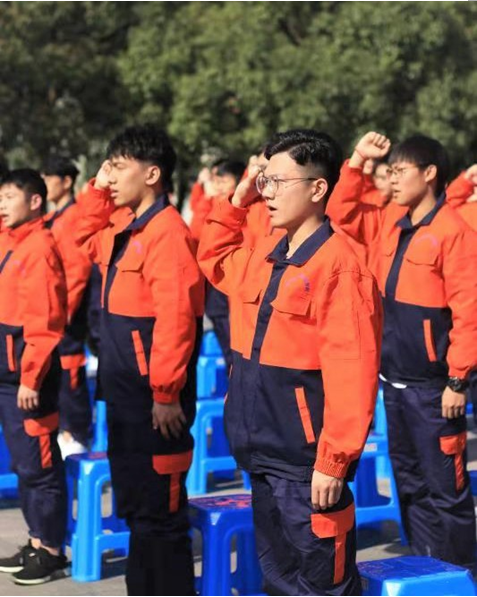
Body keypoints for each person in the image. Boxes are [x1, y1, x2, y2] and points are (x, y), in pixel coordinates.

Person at [198, 129, 382, 595]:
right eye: (266, 180)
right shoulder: (266, 255)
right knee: (277, 577)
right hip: (262, 450)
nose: (268, 192)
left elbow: (353, 373)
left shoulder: (339, 266)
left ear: (318, 189)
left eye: (279, 182)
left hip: (306, 463)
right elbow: (213, 257)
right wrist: (239, 196)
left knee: (322, 582)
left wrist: (333, 462)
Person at [326, 131, 477, 567]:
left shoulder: (454, 233)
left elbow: (469, 313)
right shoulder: (391, 222)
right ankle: (425, 569)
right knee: (410, 484)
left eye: (399, 171)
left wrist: (457, 380)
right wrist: (357, 161)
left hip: (434, 389)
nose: (391, 179)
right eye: (388, 171)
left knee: (446, 489)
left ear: (429, 174)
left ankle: (461, 576)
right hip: (393, 381)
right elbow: (339, 211)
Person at [74, 124, 204, 596]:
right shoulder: (125, 229)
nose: (110, 178)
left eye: (118, 167)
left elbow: (176, 319)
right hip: (126, 398)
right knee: (136, 509)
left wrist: (166, 393)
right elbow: (80, 236)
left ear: (152, 174)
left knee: (161, 515)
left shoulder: (167, 234)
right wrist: (96, 188)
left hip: (156, 404)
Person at [0, 169, 69, 584]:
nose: (2, 203)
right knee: (24, 465)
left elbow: (44, 322)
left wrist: (30, 377)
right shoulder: (12, 240)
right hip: (8, 375)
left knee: (40, 466)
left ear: (35, 201)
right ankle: (36, 539)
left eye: (10, 196)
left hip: (28, 379)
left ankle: (51, 551)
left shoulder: (40, 247)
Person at [41, 156, 94, 456]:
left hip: (65, 315)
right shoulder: (53, 218)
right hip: (50, 311)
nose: (45, 184)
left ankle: (76, 434)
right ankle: (64, 431)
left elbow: (77, 270)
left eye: (49, 178)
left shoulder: (73, 218)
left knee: (69, 370)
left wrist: (64, 312)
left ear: (66, 181)